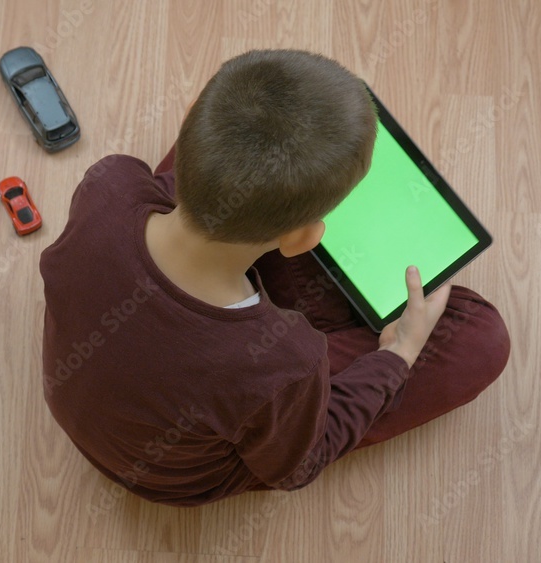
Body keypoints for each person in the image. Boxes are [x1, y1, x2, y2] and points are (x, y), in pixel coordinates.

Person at [40, 49, 510, 507]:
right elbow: (300, 464)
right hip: (174, 474)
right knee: (478, 335)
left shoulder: (110, 182)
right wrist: (400, 352)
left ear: (188, 121)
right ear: (304, 237)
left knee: (240, 152)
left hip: (104, 387)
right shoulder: (283, 363)